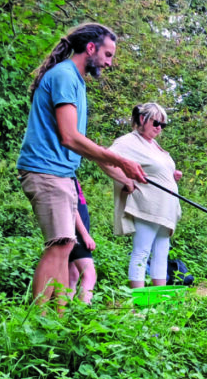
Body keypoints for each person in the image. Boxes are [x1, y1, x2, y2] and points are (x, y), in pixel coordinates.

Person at [17, 22, 146, 307]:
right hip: (45, 170)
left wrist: (120, 171)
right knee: (60, 245)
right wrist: (121, 160)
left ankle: (58, 319)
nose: (109, 63)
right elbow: (70, 137)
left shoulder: (74, 80)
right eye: (108, 55)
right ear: (91, 48)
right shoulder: (64, 76)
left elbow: (78, 143)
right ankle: (35, 320)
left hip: (61, 174)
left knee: (64, 248)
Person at [104, 103, 182, 289]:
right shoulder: (128, 142)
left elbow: (153, 168)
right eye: (156, 123)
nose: (159, 128)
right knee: (142, 251)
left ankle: (159, 297)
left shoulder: (153, 144)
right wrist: (126, 181)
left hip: (165, 208)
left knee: (161, 252)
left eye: (163, 125)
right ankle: (138, 300)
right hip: (147, 205)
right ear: (142, 119)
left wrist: (172, 176)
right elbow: (105, 158)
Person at [67, 180, 96, 303]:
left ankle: (67, 309)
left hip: (74, 231)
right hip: (77, 232)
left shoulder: (70, 174)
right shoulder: (65, 174)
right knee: (89, 274)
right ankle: (83, 311)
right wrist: (85, 235)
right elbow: (72, 207)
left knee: (73, 275)